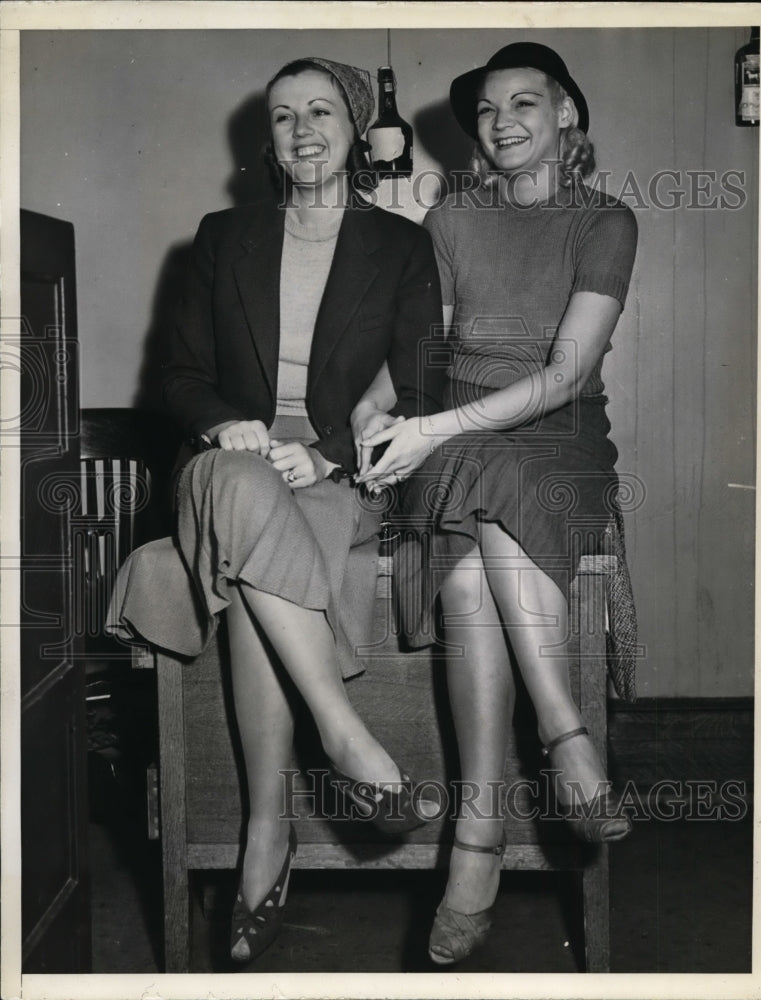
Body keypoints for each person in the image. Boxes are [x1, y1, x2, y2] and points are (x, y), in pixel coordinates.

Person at [108, 56, 444, 965]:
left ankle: (267, 832)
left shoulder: (404, 246)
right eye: (285, 115)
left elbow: (417, 378)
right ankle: (345, 736)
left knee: (261, 573)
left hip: (338, 473)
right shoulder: (222, 236)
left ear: (356, 127)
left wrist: (328, 449)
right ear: (268, 138)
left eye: (322, 112)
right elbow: (177, 376)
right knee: (244, 492)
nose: (302, 129)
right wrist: (229, 428)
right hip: (227, 464)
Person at [353, 42, 638, 965]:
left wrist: (435, 432)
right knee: (469, 534)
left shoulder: (605, 221)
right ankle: (567, 745)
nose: (503, 121)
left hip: (558, 437)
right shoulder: (451, 218)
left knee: (473, 574)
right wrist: (373, 415)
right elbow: (417, 354)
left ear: (568, 118)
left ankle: (477, 839)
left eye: (527, 102)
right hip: (457, 437)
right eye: (485, 110)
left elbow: (564, 376)